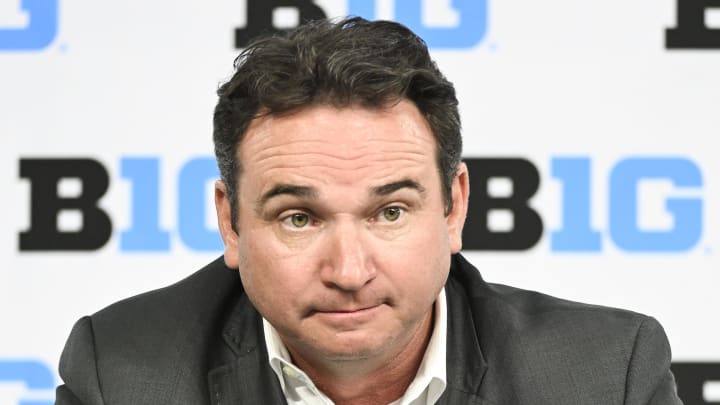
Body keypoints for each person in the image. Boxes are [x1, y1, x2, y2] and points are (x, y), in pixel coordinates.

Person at [55, 17, 683, 405]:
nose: (350, 271)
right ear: (231, 223)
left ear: (453, 208)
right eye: (298, 217)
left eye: (390, 212)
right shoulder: (125, 373)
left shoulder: (605, 376)